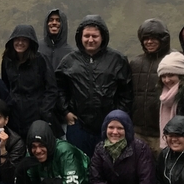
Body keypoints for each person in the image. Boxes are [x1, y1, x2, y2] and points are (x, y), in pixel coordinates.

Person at [56, 15, 133, 157]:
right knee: (79, 165)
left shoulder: (117, 60)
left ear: (102, 37)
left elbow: (126, 93)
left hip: (109, 127)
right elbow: (59, 88)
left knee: (108, 166)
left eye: (94, 36)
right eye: (86, 36)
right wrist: (65, 112)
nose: (90, 40)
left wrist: (118, 117)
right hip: (78, 125)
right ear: (80, 37)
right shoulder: (69, 61)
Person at [0, 24, 58, 138]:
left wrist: (43, 111)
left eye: (24, 40)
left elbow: (52, 88)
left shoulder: (40, 60)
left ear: (30, 42)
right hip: (14, 115)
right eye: (17, 39)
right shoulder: (7, 61)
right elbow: (6, 86)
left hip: (36, 114)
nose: (20, 43)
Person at [130, 19, 171, 152]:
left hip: (165, 134)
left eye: (154, 38)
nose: (149, 42)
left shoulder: (174, 60)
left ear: (163, 39)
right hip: (138, 133)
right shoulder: (135, 63)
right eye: (145, 38)